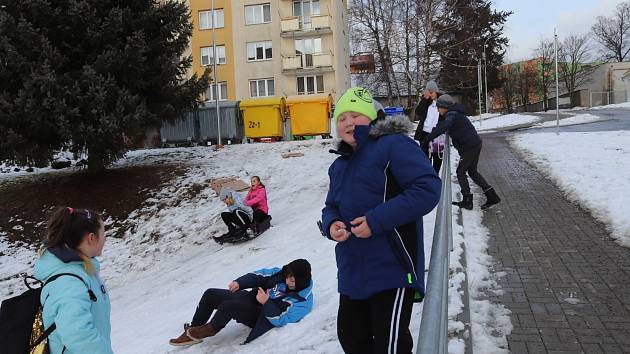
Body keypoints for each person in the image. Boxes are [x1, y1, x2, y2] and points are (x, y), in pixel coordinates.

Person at [321, 87, 441, 353]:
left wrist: (376, 221)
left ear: (373, 117)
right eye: (342, 118)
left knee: (390, 346)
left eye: (356, 115)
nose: (348, 122)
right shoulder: (339, 164)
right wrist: (332, 224)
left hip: (392, 268)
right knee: (352, 341)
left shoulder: (393, 145)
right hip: (352, 270)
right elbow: (331, 206)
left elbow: (428, 189)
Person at [168, 259, 313, 346]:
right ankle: (193, 330)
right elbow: (259, 276)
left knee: (227, 307)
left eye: (293, 280)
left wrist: (266, 303)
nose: (288, 281)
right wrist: (240, 282)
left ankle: (208, 330)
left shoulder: (303, 301)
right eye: (288, 277)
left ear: (301, 281)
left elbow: (283, 320)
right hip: (250, 299)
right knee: (210, 294)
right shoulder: (279, 274)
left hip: (260, 316)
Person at [34, 207, 113, 354]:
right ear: (91, 238)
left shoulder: (83, 271)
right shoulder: (69, 283)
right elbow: (78, 334)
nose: (105, 239)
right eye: (103, 233)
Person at [422, 94, 501, 210]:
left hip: (469, 146)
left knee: (460, 171)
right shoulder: (453, 113)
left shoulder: (452, 114)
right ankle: (492, 196)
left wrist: (428, 139)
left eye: (439, 107)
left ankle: (467, 200)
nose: (438, 110)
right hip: (474, 144)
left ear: (444, 107)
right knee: (472, 172)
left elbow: (446, 125)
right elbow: (443, 124)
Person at [413, 80, 444, 173]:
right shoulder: (426, 102)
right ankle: (428, 178)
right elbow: (418, 112)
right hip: (424, 133)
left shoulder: (442, 101)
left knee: (437, 158)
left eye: (432, 92)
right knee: (426, 159)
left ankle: (435, 177)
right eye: (428, 92)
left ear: (436, 91)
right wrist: (425, 99)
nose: (430, 94)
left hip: (437, 134)